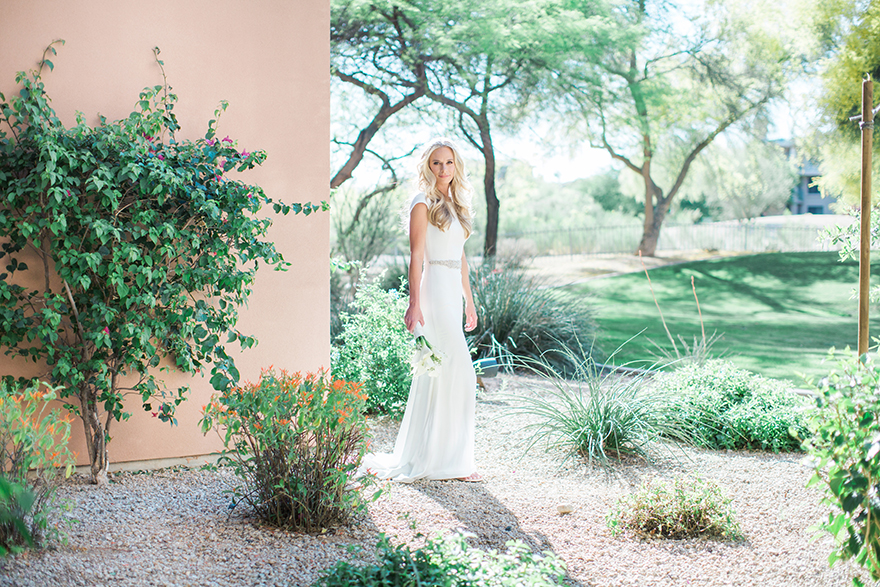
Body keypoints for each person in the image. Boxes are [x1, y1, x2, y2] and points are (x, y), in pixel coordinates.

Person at [360, 137, 482, 483]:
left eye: (448, 162)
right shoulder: (421, 202)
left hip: (452, 295)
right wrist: (413, 303)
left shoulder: (457, 203)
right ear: (428, 168)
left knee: (453, 374)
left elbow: (461, 259)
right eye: (436, 163)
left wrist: (469, 301)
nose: (443, 169)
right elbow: (416, 255)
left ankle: (452, 459)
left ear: (456, 165)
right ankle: (439, 460)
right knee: (450, 370)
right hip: (433, 292)